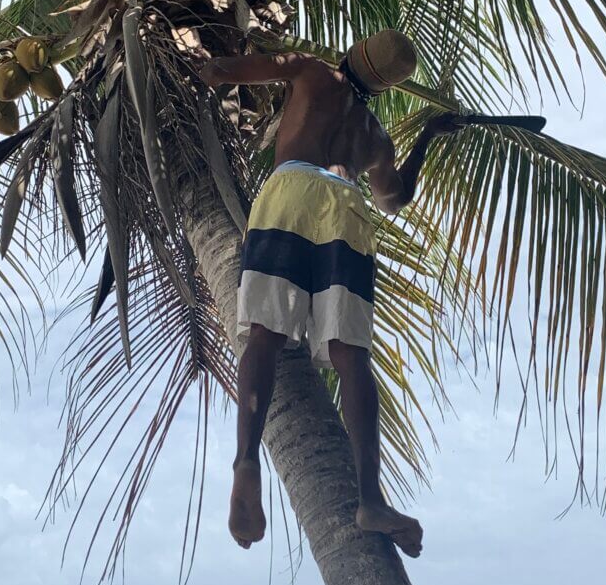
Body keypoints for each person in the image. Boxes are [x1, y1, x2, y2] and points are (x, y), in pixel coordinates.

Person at [198, 30, 464, 554]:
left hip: (291, 190)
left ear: (356, 52)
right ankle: (370, 498)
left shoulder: (313, 71)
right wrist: (430, 135)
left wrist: (226, 51)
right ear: (385, 84)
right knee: (351, 356)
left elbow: (221, 72)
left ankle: (247, 459)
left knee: (266, 334)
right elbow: (394, 197)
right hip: (348, 208)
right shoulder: (374, 136)